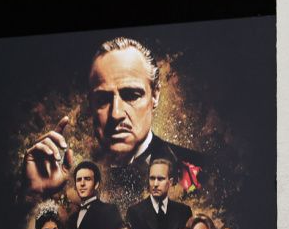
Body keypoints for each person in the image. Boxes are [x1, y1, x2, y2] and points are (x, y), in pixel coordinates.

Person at [23, 37, 206, 204]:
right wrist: (37, 195)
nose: (116, 113)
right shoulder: (67, 184)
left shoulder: (197, 172)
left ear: (155, 96)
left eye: (131, 95)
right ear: (90, 105)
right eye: (102, 100)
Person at [125, 158, 193, 229]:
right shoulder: (134, 212)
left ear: (170, 182)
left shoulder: (184, 212)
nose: (155, 184)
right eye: (152, 178)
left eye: (160, 179)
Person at [64, 161, 121, 229]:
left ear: (96, 184)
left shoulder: (109, 211)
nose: (82, 183)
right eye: (78, 180)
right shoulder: (72, 218)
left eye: (87, 179)